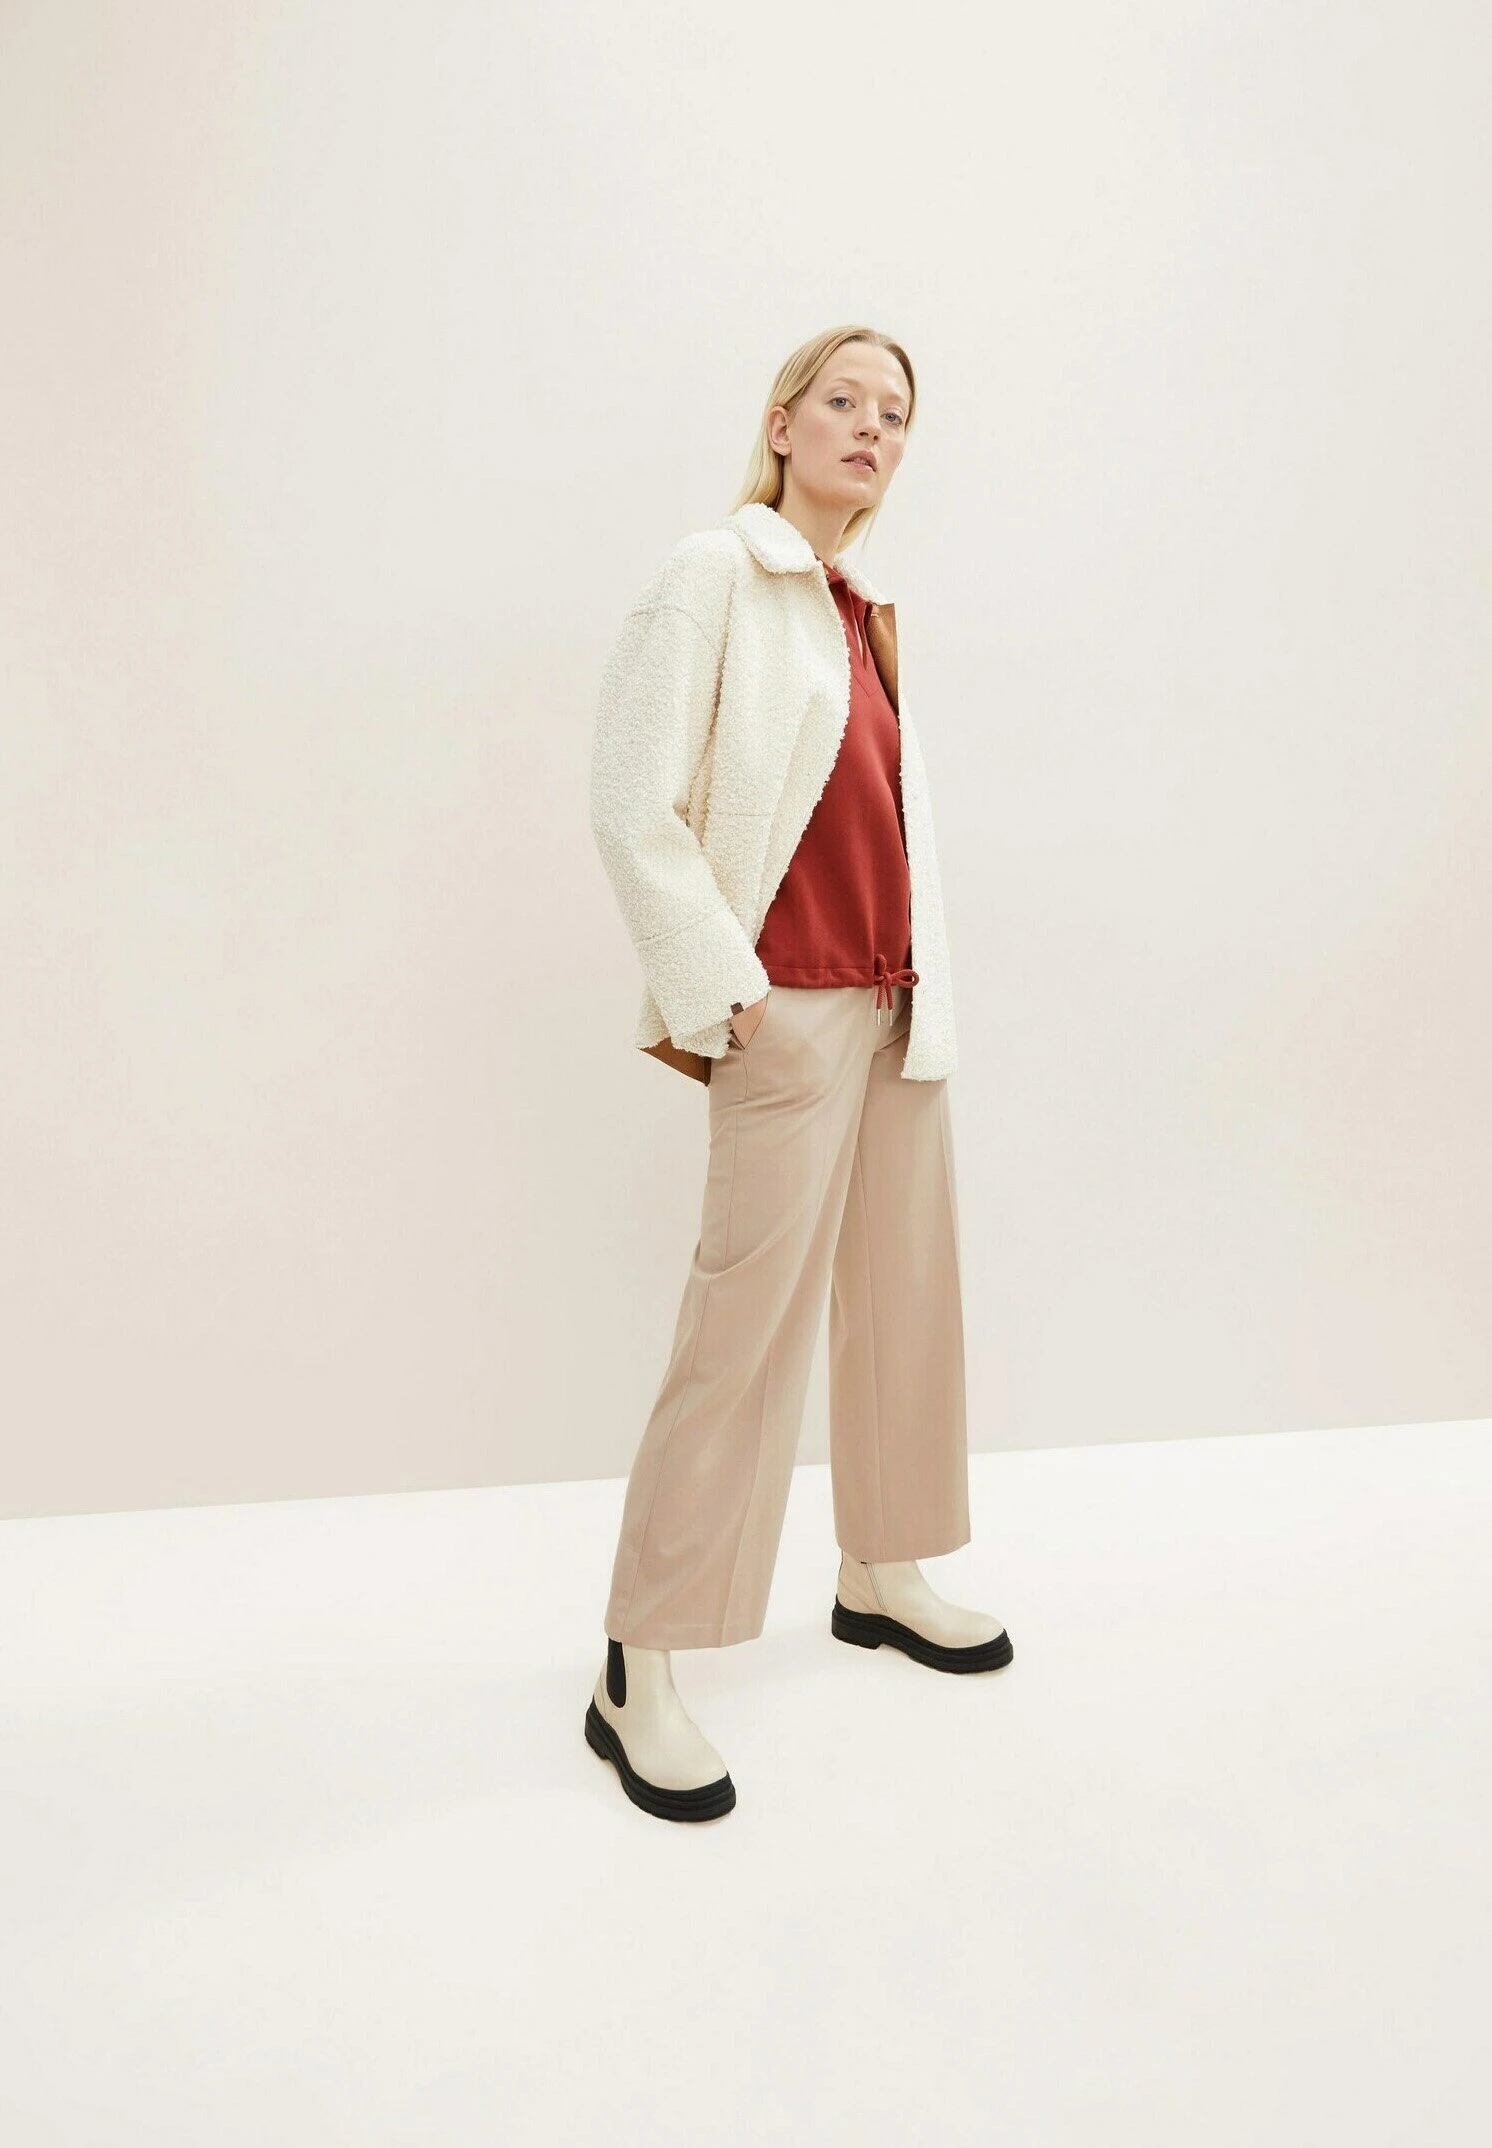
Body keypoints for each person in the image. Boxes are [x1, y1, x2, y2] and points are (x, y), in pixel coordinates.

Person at [584, 325, 1012, 1823]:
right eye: (844, 399)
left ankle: (880, 1571)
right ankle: (638, 1661)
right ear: (781, 423)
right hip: (788, 1008)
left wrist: (918, 987)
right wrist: (728, 991)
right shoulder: (717, 572)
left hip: (896, 1008)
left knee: (905, 1304)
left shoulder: (858, 608)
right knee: (743, 1331)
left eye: (896, 413)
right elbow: (630, 802)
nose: (872, 428)